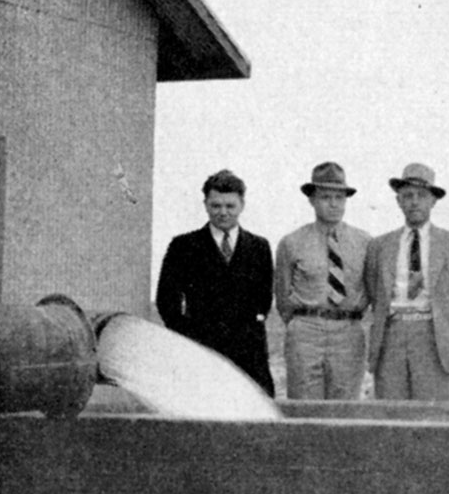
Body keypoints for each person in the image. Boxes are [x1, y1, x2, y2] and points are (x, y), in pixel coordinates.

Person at [364, 163, 449, 401]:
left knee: (432, 416)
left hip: (434, 337)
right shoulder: (379, 246)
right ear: (398, 201)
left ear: (433, 201)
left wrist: (447, 329)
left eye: (421, 196)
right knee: (390, 415)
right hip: (391, 336)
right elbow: (375, 294)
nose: (414, 202)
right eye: (407, 196)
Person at [156, 169, 276, 396]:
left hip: (248, 350)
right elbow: (167, 300)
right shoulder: (183, 246)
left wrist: (251, 326)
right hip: (201, 347)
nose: (223, 212)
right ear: (205, 204)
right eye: (216, 206)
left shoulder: (259, 247)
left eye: (230, 206)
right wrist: (187, 336)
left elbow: (264, 298)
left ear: (242, 205)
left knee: (253, 408)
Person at [275, 162, 372, 399]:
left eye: (340, 197)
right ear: (312, 199)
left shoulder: (365, 243)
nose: (333, 203)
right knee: (304, 406)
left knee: (345, 408)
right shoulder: (292, 242)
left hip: (348, 332)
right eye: (326, 197)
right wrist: (304, 323)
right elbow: (282, 296)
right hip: (306, 330)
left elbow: (370, 290)